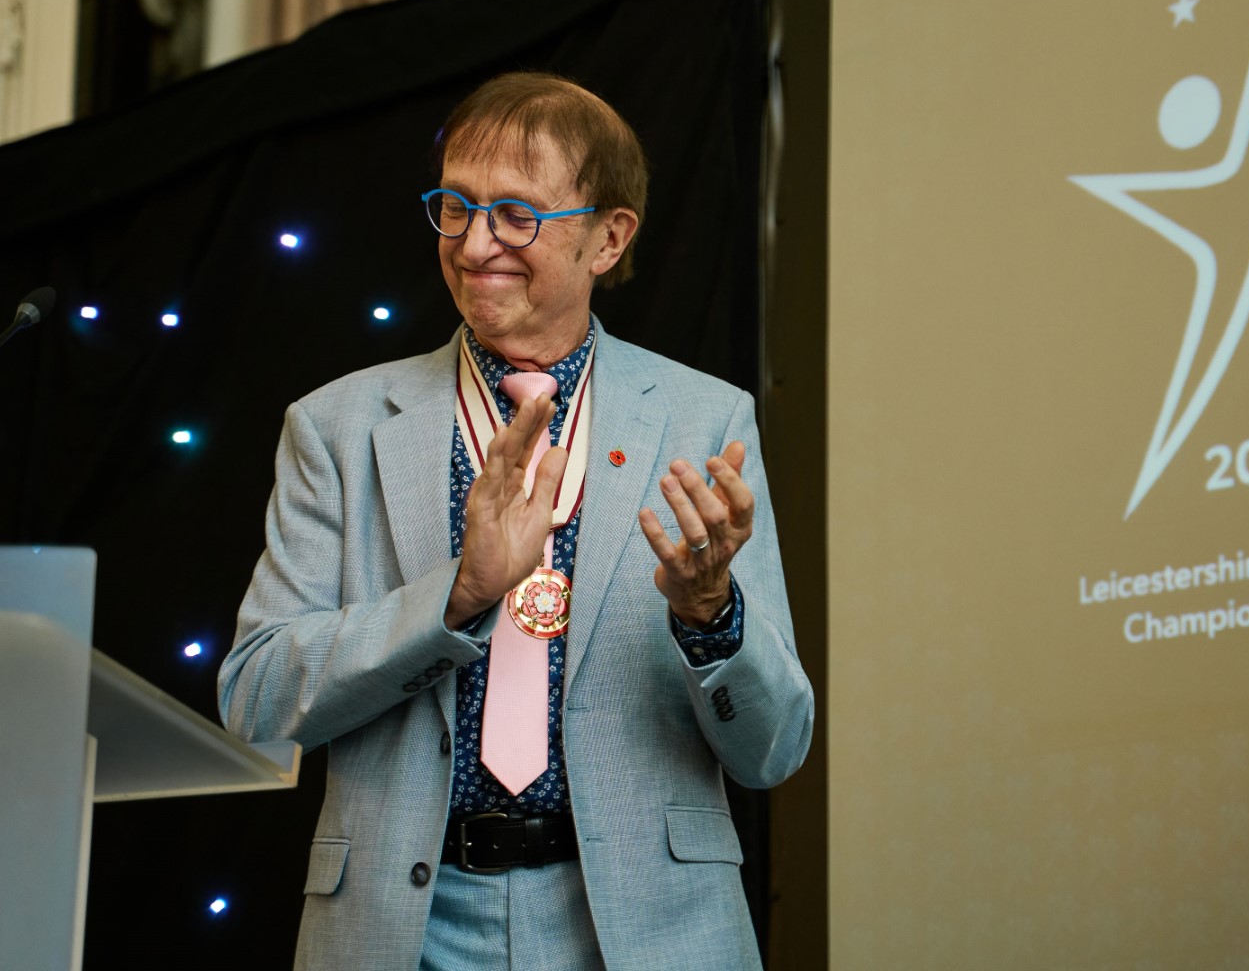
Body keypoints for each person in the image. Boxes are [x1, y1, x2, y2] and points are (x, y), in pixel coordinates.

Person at [219, 71, 813, 971]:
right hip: (401, 929)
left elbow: (772, 749)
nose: (474, 242)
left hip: (643, 927)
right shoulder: (338, 426)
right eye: (454, 207)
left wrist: (710, 612)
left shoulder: (703, 422)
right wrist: (456, 597)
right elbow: (255, 699)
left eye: (516, 215)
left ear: (608, 239)